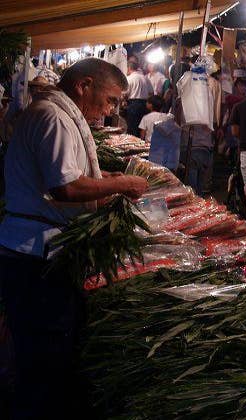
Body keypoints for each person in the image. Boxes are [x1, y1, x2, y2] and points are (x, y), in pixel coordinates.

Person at [0, 58, 148, 418]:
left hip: (38, 253)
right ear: (84, 86)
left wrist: (105, 176)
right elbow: (65, 187)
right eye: (110, 100)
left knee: (46, 357)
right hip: (35, 257)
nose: (111, 110)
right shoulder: (52, 116)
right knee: (43, 360)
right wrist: (122, 183)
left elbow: (63, 173)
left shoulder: (56, 113)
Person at [125, 60, 153, 137]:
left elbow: (125, 93)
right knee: (141, 128)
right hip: (144, 105)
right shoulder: (145, 78)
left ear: (128, 68)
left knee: (132, 127)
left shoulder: (129, 78)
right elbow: (151, 92)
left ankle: (132, 145)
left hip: (133, 104)